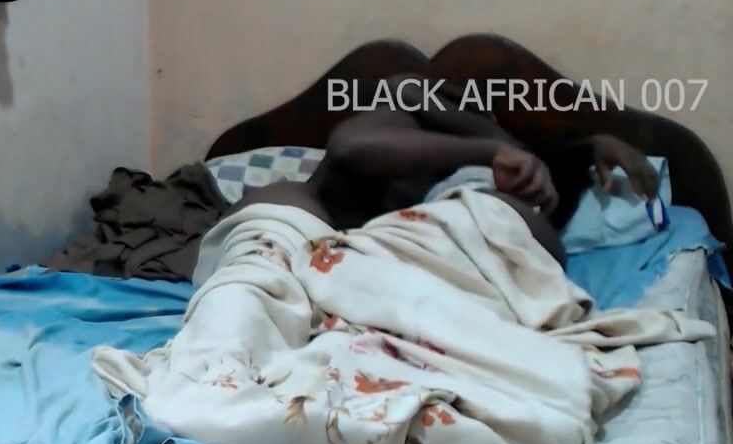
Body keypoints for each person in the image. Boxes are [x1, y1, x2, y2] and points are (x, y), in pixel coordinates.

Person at [228, 76, 659, 265]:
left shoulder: (476, 184)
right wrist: (492, 147)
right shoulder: (393, 124)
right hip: (317, 248)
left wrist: (588, 148)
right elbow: (355, 143)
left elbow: (542, 236)